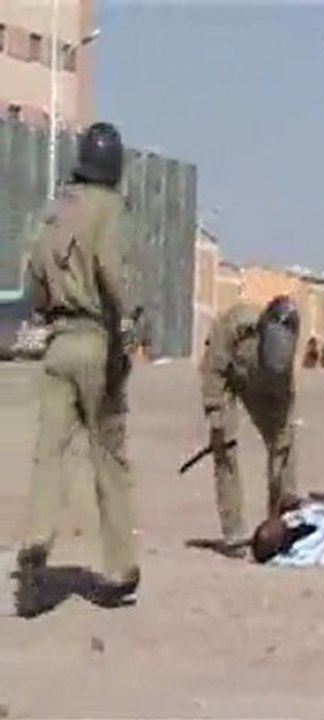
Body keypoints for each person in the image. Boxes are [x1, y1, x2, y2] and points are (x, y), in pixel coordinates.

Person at [16, 121, 139, 616]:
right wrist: (126, 320)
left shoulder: (56, 209)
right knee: (108, 457)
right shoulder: (108, 209)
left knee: (49, 454)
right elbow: (110, 270)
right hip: (95, 342)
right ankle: (119, 567)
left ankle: (37, 539)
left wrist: (50, 310)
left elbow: (35, 277)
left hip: (57, 346)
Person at [199, 295, 301, 557]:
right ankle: (234, 531)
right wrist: (215, 410)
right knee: (226, 448)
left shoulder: (284, 371)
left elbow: (284, 413)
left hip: (264, 389)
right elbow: (213, 367)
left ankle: (281, 524)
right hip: (228, 375)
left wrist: (283, 441)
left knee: (285, 450)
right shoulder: (236, 325)